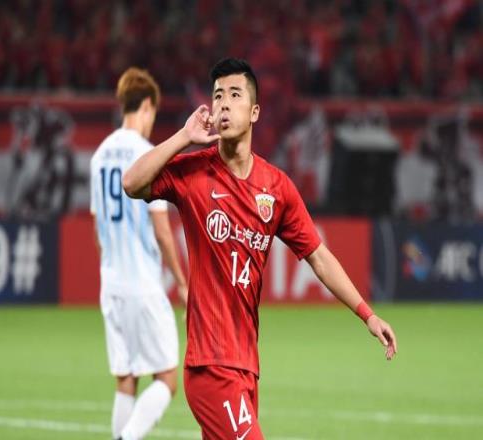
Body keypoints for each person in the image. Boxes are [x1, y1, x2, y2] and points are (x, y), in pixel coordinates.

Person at [122, 58, 397, 439]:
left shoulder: (276, 188)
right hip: (211, 364)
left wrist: (367, 315)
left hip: (246, 365)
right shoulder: (193, 173)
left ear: (254, 112)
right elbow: (132, 183)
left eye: (235, 95)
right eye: (218, 96)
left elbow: (319, 257)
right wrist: (183, 137)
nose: (224, 104)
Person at [90, 67, 188, 440]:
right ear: (146, 105)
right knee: (167, 377)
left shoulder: (99, 156)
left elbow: (97, 228)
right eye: (153, 114)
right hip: (143, 283)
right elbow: (162, 230)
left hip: (111, 282)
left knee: (126, 379)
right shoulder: (147, 155)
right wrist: (181, 281)